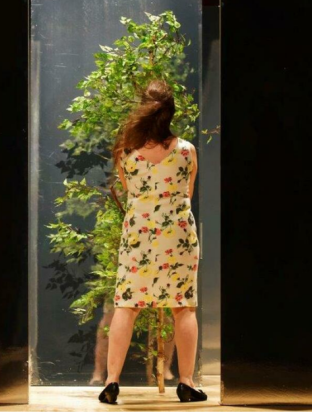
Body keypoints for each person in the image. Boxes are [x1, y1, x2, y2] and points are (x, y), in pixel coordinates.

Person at [98, 80, 207, 404]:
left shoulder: (125, 152)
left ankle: (111, 381)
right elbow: (188, 193)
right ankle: (186, 382)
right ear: (170, 112)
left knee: (127, 306)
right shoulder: (187, 150)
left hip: (139, 235)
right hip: (177, 236)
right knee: (183, 307)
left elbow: (129, 190)